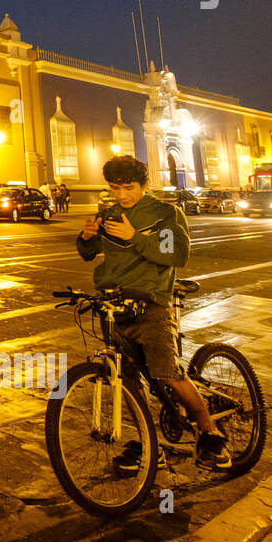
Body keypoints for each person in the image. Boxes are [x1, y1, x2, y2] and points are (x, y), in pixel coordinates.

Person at [77, 154, 231, 471]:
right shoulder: (109, 213)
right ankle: (150, 443)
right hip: (114, 305)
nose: (122, 195)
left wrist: (134, 237)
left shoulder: (164, 213)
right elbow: (90, 254)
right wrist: (87, 237)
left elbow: (177, 254)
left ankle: (210, 435)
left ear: (145, 184)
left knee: (167, 374)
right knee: (128, 382)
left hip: (151, 303)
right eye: (115, 188)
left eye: (129, 187)